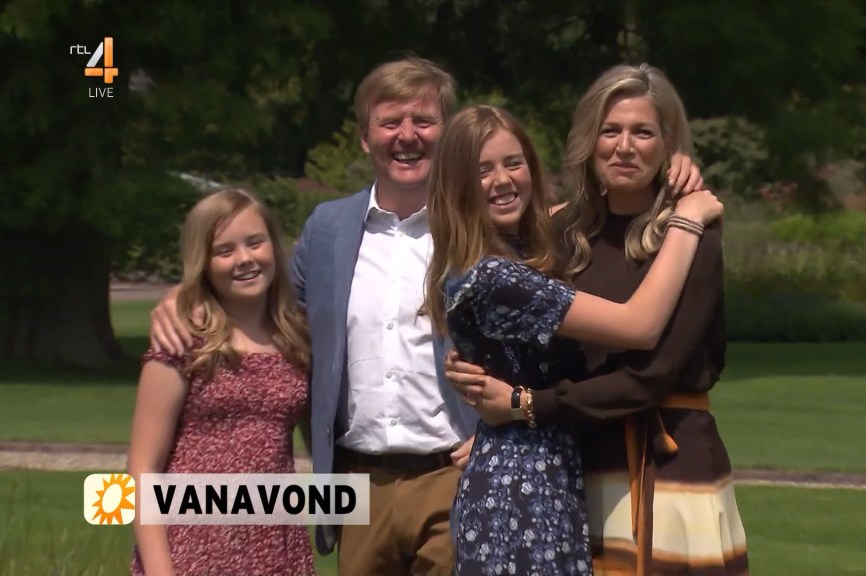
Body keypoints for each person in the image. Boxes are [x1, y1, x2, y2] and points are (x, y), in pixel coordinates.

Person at [149, 56, 706, 575]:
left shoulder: (481, 233)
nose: (407, 135)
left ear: (448, 132)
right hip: (358, 484)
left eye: (424, 120)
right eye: (390, 122)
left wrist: (674, 171)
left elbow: (592, 203)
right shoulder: (327, 230)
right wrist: (185, 294)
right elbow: (266, 308)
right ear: (365, 136)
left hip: (455, 475)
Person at [447, 64, 750, 575]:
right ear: (590, 139)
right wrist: (489, 392)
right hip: (577, 463)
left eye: (643, 132)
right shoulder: (561, 235)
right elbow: (524, 341)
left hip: (671, 463)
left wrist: (526, 407)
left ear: (668, 140)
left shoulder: (691, 233)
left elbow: (650, 376)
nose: (624, 147)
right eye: (611, 131)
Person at [127, 188, 315, 576]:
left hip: (276, 545)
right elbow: (142, 467)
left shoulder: (297, 338)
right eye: (224, 251)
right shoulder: (183, 341)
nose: (244, 259)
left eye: (255, 242)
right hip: (193, 545)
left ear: (274, 246)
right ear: (204, 262)